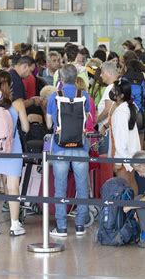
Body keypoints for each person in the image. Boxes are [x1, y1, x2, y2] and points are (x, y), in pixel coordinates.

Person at [46, 64, 91, 237]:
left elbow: (49, 123)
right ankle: (80, 225)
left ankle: (62, 227)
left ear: (61, 78)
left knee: (60, 188)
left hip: (60, 146)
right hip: (81, 146)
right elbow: (87, 120)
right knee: (82, 187)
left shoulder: (54, 96)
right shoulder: (84, 95)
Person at [0, 71, 29, 237]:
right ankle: (15, 224)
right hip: (12, 147)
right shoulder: (17, 103)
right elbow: (25, 128)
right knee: (12, 187)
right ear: (10, 85)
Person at [107, 78, 141, 195]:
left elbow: (121, 139)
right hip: (130, 155)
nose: (111, 91)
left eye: (114, 90)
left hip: (124, 157)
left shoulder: (121, 112)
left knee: (126, 188)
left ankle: (131, 211)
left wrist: (118, 161)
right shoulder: (127, 107)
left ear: (120, 95)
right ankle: (135, 211)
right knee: (131, 184)